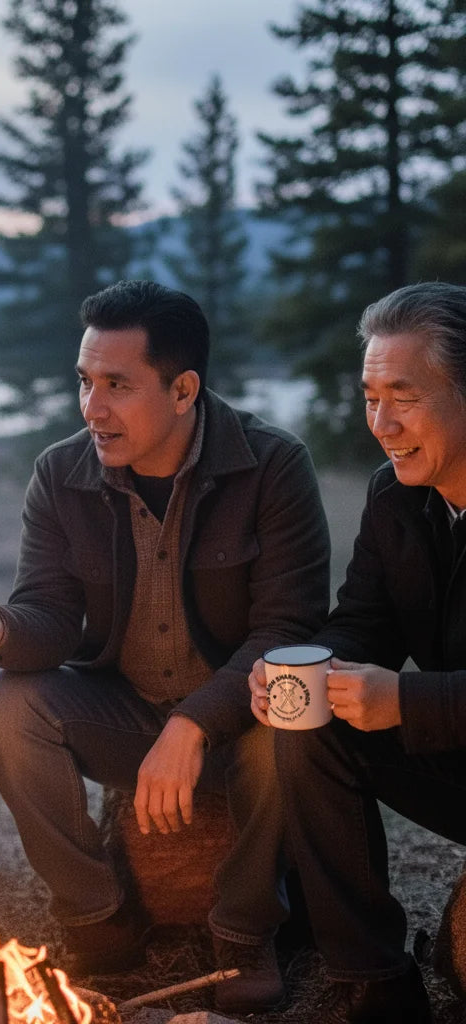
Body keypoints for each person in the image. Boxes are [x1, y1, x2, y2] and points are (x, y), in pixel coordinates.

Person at [0, 280, 331, 1015]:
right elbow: (50, 617)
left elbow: (286, 632)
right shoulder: (61, 473)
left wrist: (196, 723)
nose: (92, 408)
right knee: (9, 706)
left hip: (241, 723)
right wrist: (1, 629)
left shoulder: (272, 467)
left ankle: (243, 933)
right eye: (85, 382)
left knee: (288, 712)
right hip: (123, 713)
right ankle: (100, 918)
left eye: (117, 385)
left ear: (183, 390)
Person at [248, 281, 466, 1023]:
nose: (381, 421)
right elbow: (363, 622)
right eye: (369, 396)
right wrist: (305, 671)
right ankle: (373, 977)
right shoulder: (396, 496)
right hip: (454, 750)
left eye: (402, 395)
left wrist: (403, 699)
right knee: (308, 723)